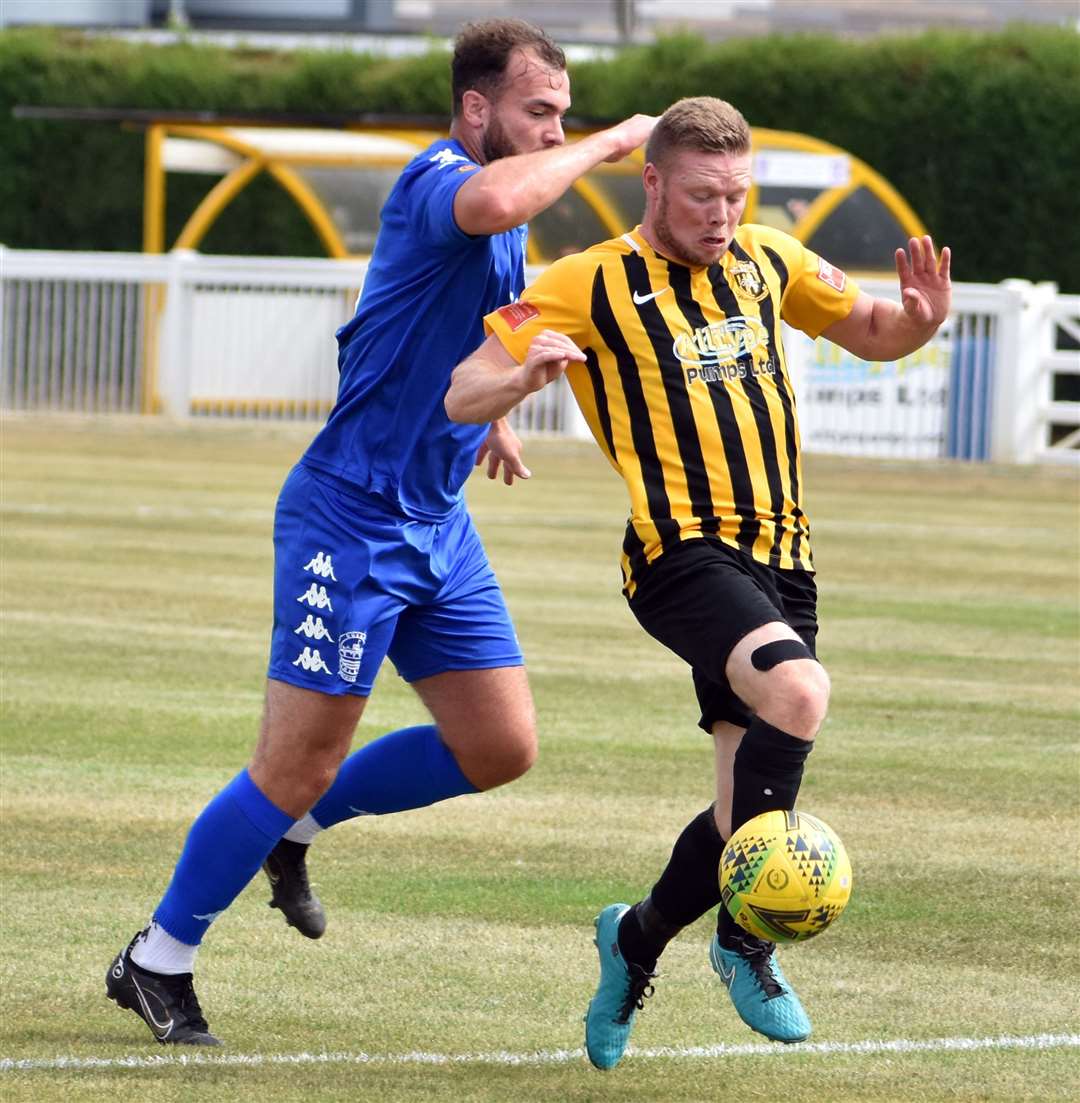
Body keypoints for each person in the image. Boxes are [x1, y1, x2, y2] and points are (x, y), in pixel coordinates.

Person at [105, 18, 655, 1046]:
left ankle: (295, 834)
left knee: (500, 744)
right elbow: (495, 197)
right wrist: (611, 142)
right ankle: (157, 956)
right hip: (348, 517)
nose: (555, 129)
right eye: (541, 110)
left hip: (437, 522)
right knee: (295, 760)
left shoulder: (504, 218)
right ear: (478, 107)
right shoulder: (439, 178)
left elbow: (481, 326)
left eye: (566, 114)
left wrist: (492, 413)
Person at [444, 95, 951, 1069]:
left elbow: (877, 330)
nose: (722, 214)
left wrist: (925, 320)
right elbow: (464, 386)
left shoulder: (770, 260)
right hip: (678, 553)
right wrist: (520, 380)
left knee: (735, 813)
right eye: (702, 196)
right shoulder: (584, 283)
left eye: (736, 194)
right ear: (653, 183)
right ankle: (745, 940)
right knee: (799, 690)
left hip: (783, 557)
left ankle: (634, 938)